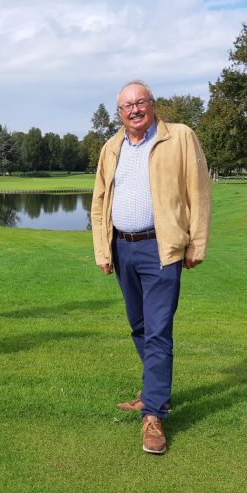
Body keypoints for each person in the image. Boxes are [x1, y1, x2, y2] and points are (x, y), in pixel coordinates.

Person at [91, 80, 211, 454]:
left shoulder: (181, 137)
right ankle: (154, 390)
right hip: (122, 249)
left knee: (158, 331)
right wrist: (102, 249)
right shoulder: (111, 148)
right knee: (140, 327)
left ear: (152, 104)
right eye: (127, 106)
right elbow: (99, 201)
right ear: (119, 113)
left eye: (140, 102)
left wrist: (198, 242)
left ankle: (154, 415)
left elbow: (200, 193)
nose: (134, 110)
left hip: (162, 248)